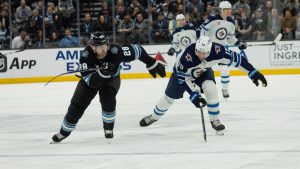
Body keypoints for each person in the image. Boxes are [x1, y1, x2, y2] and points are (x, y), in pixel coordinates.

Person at [51, 32, 166, 143]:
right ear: (92, 47)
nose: (103, 49)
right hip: (90, 82)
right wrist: (102, 73)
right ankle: (63, 132)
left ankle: (108, 128)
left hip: (111, 80)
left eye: (104, 45)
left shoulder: (116, 51)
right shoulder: (86, 56)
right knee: (76, 108)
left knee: (108, 99)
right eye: (99, 46)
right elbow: (91, 81)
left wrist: (151, 63)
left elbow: (138, 50)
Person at [139, 36, 267, 135]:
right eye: (199, 52)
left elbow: (237, 59)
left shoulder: (218, 51)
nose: (201, 55)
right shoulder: (186, 57)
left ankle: (215, 120)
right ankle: (154, 117)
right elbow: (182, 79)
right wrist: (194, 95)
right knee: (168, 99)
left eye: (204, 53)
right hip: (182, 76)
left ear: (210, 50)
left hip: (203, 72)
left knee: (211, 89)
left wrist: (252, 72)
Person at [197, 1, 247, 99]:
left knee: (225, 72)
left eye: (230, 9)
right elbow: (200, 30)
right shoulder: (212, 19)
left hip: (222, 51)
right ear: (221, 10)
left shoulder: (231, 22)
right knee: (201, 70)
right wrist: (201, 43)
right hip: (209, 50)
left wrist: (238, 43)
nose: (229, 11)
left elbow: (230, 38)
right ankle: (198, 90)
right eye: (226, 9)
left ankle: (225, 89)